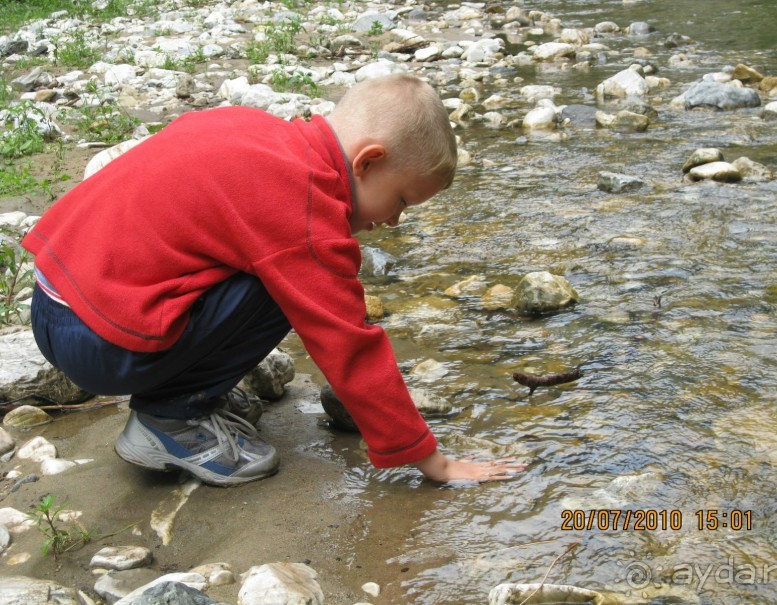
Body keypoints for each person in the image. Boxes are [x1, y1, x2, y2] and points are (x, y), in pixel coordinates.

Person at [23, 74, 524, 487]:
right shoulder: (303, 208)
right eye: (401, 202)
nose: (393, 222)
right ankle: (169, 420)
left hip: (56, 296)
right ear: (367, 162)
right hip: (97, 341)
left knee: (260, 263)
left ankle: (176, 397)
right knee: (284, 287)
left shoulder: (250, 127)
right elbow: (348, 343)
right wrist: (430, 460)